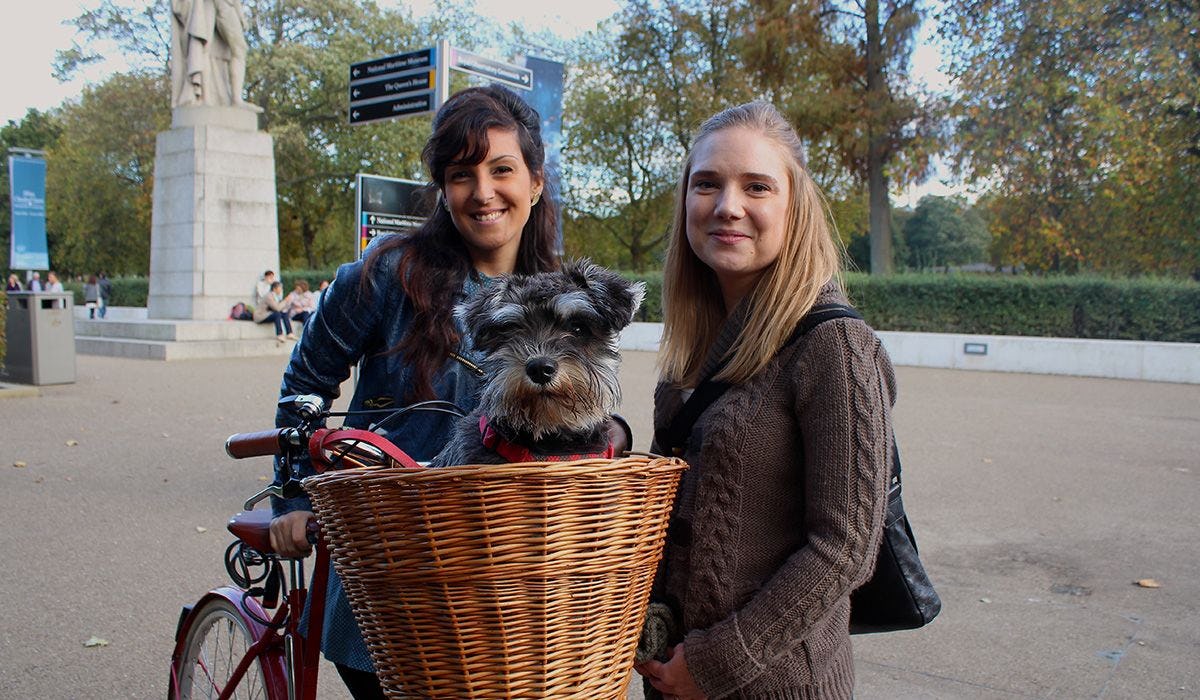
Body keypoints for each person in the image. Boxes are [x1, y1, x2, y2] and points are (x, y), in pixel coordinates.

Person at [267, 85, 560, 699]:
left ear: (534, 181)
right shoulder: (387, 273)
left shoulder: (559, 302)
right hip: (386, 568)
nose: (483, 192)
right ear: (442, 189)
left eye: (501, 169)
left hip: (500, 572)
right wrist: (294, 496)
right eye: (462, 174)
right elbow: (306, 384)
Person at [634, 102, 895, 700]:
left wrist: (713, 665)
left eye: (757, 186)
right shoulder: (690, 349)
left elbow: (845, 548)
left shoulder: (835, 345)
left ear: (793, 206)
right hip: (671, 678)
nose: (728, 206)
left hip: (776, 685)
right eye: (707, 184)